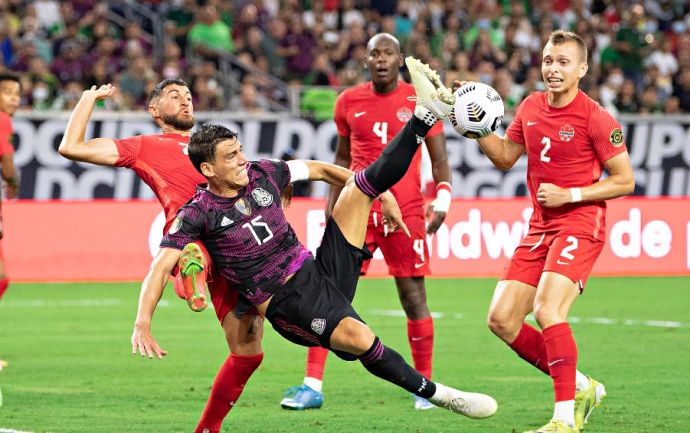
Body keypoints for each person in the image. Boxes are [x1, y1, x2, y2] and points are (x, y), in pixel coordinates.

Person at [131, 57, 498, 426]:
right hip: (287, 303)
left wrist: (382, 195)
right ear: (208, 169)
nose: (243, 160)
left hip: (316, 268)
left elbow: (321, 170)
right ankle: (441, 395)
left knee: (358, 187)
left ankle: (424, 115)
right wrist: (142, 322)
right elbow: (160, 266)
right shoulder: (198, 213)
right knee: (359, 339)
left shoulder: (264, 172)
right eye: (231, 157)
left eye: (240, 150)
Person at [58, 78, 263, 433]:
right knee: (190, 249)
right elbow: (71, 147)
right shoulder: (145, 146)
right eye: (174, 96)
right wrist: (88, 101)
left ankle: (206, 429)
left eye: (188, 95)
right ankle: (190, 274)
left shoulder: (213, 146)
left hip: (241, 241)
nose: (185, 101)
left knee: (249, 352)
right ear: (154, 111)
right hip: (192, 235)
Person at [467, 30, 635, 433]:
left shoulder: (596, 117)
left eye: (562, 62)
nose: (553, 69)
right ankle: (580, 385)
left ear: (582, 68)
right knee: (502, 319)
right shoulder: (529, 106)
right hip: (540, 225)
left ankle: (563, 420)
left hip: (581, 222)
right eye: (548, 60)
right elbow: (506, 157)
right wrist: (470, 123)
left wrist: (571, 194)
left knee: (546, 310)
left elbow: (625, 181)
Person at [280, 33, 452, 412]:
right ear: (366, 60)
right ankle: (312, 385)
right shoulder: (348, 101)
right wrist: (331, 204)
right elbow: (341, 158)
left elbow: (439, 159)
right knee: (329, 296)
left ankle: (423, 388)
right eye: (374, 53)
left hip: (405, 212)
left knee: (412, 297)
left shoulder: (417, 99)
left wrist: (443, 195)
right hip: (358, 207)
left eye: (388, 52)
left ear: (400, 59)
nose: (381, 59)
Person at [0, 72, 21, 386]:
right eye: (6, 92)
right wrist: (13, 180)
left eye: (17, 93)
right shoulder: (2, 119)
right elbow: (5, 158)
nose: (14, 98)